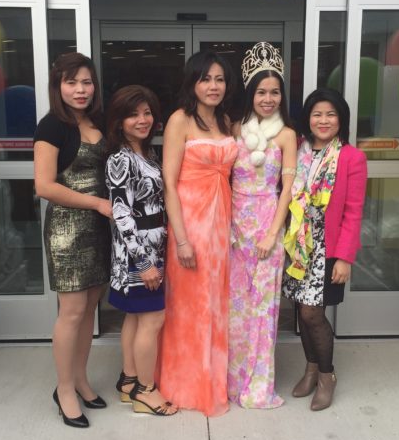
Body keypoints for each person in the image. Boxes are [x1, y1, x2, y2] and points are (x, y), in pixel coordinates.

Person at [158, 51, 238, 417]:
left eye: (219, 79)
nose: (213, 86)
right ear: (192, 82)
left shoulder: (226, 120)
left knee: (217, 304)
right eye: (206, 79)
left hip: (223, 223)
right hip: (190, 223)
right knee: (189, 306)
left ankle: (214, 380)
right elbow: (169, 185)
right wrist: (183, 239)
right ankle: (186, 384)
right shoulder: (180, 120)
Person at [33, 52, 111, 428]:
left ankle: (81, 378)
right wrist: (97, 202)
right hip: (68, 229)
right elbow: (44, 185)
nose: (80, 90)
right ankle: (64, 388)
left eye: (86, 82)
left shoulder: (96, 120)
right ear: (58, 86)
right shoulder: (52, 126)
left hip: (99, 228)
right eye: (71, 82)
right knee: (72, 312)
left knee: (90, 307)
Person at [282, 88, 368, 411]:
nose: (323, 120)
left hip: (327, 246)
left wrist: (345, 257)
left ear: (341, 119)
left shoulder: (351, 157)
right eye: (317, 114)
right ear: (308, 118)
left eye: (330, 114)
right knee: (299, 311)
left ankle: (327, 376)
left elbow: (353, 211)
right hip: (299, 244)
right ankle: (310, 368)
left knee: (312, 312)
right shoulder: (299, 150)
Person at [227, 42, 297, 409]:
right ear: (250, 93)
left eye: (274, 92)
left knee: (264, 308)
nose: (268, 99)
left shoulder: (285, 135)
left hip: (268, 222)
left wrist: (274, 232)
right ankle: (233, 380)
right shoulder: (233, 129)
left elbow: (288, 189)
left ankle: (258, 386)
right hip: (235, 226)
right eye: (261, 91)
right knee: (236, 308)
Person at [105, 85, 178, 417]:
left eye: (147, 112)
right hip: (138, 255)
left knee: (135, 318)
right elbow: (121, 214)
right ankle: (146, 392)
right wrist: (144, 263)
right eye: (133, 114)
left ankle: (129, 381)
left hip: (151, 248)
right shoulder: (120, 159)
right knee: (152, 319)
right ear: (119, 121)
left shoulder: (146, 153)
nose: (142, 119)